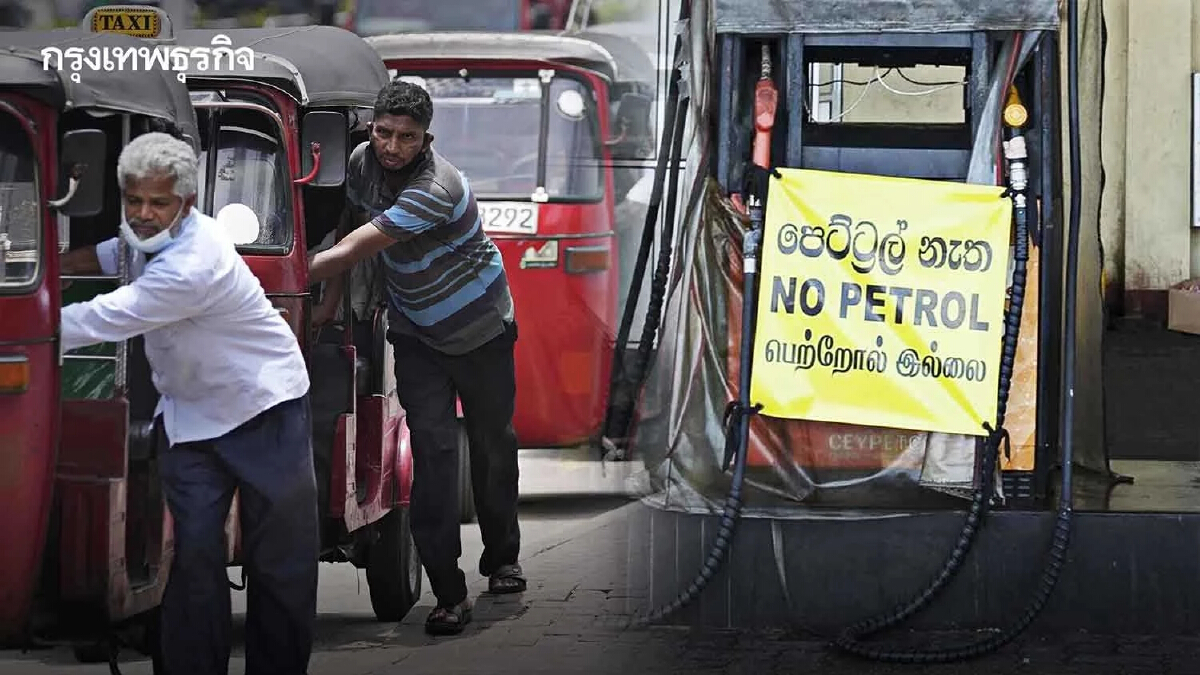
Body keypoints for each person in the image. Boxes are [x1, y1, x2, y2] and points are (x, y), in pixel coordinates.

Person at [58, 132, 319, 675]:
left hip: (264, 406)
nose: (144, 214)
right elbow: (108, 254)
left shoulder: (195, 262)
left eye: (159, 203)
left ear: (188, 204)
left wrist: (20, 320)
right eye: (134, 201)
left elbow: (104, 317)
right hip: (191, 418)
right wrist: (47, 266)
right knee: (194, 559)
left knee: (279, 563)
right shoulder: (144, 234)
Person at [309, 80, 526, 636]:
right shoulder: (361, 163)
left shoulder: (439, 186)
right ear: (372, 127)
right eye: (383, 133)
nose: (391, 146)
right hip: (416, 333)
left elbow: (362, 244)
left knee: (491, 444)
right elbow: (346, 220)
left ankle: (502, 557)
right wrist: (331, 299)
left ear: (426, 138)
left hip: (481, 329)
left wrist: (290, 274)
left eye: (406, 137)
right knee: (432, 454)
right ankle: (449, 594)